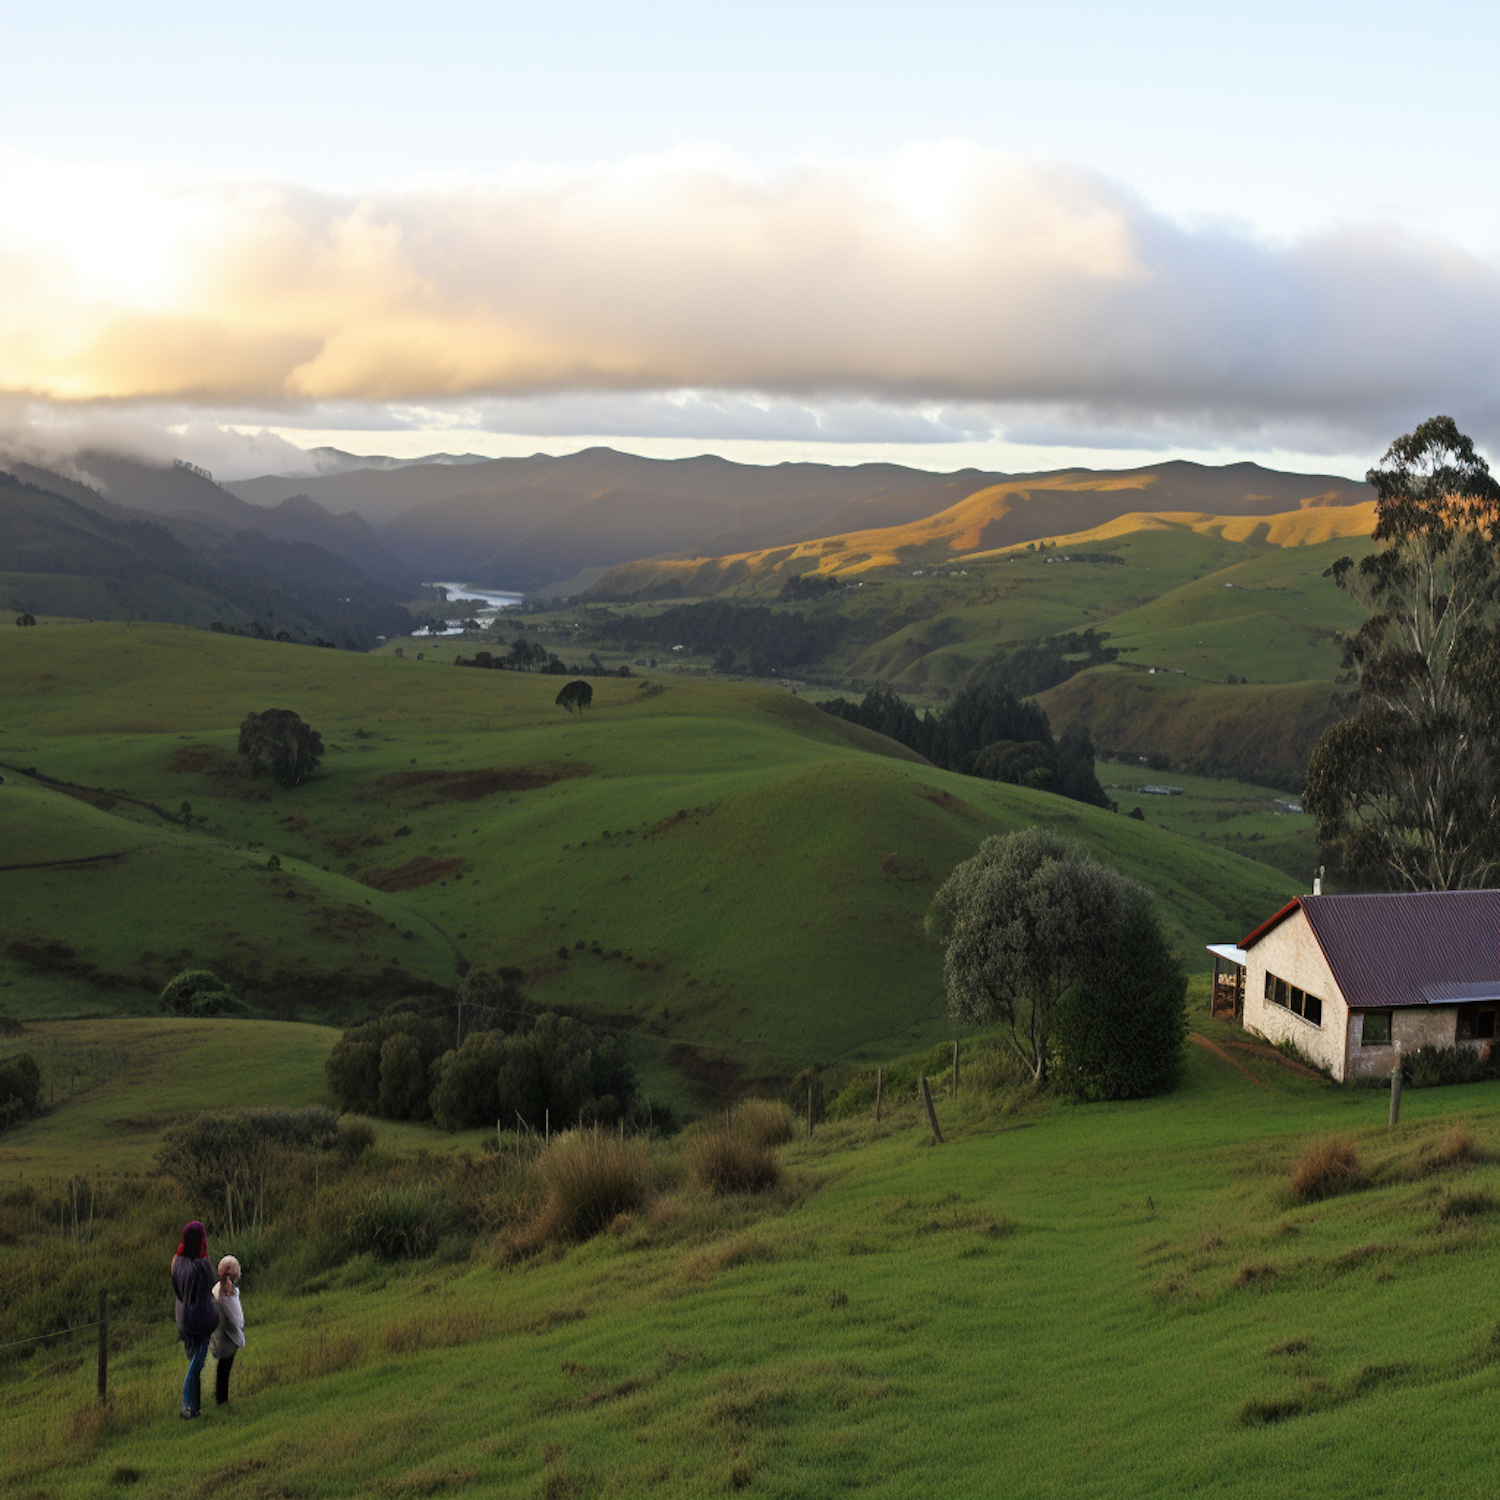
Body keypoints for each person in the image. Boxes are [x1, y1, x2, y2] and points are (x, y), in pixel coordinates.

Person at [171, 1221, 217, 1419]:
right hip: (201, 1320)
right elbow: (213, 1284)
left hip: (183, 1318)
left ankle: (195, 1409)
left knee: (193, 1361)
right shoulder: (201, 1265)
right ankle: (187, 1405)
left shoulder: (176, 1262)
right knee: (196, 1364)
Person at [211, 1255, 244, 1409]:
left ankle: (220, 1397)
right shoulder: (226, 1289)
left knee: (223, 1368)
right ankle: (221, 1400)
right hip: (228, 1336)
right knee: (224, 1368)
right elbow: (232, 1311)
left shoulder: (219, 1288)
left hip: (224, 1333)